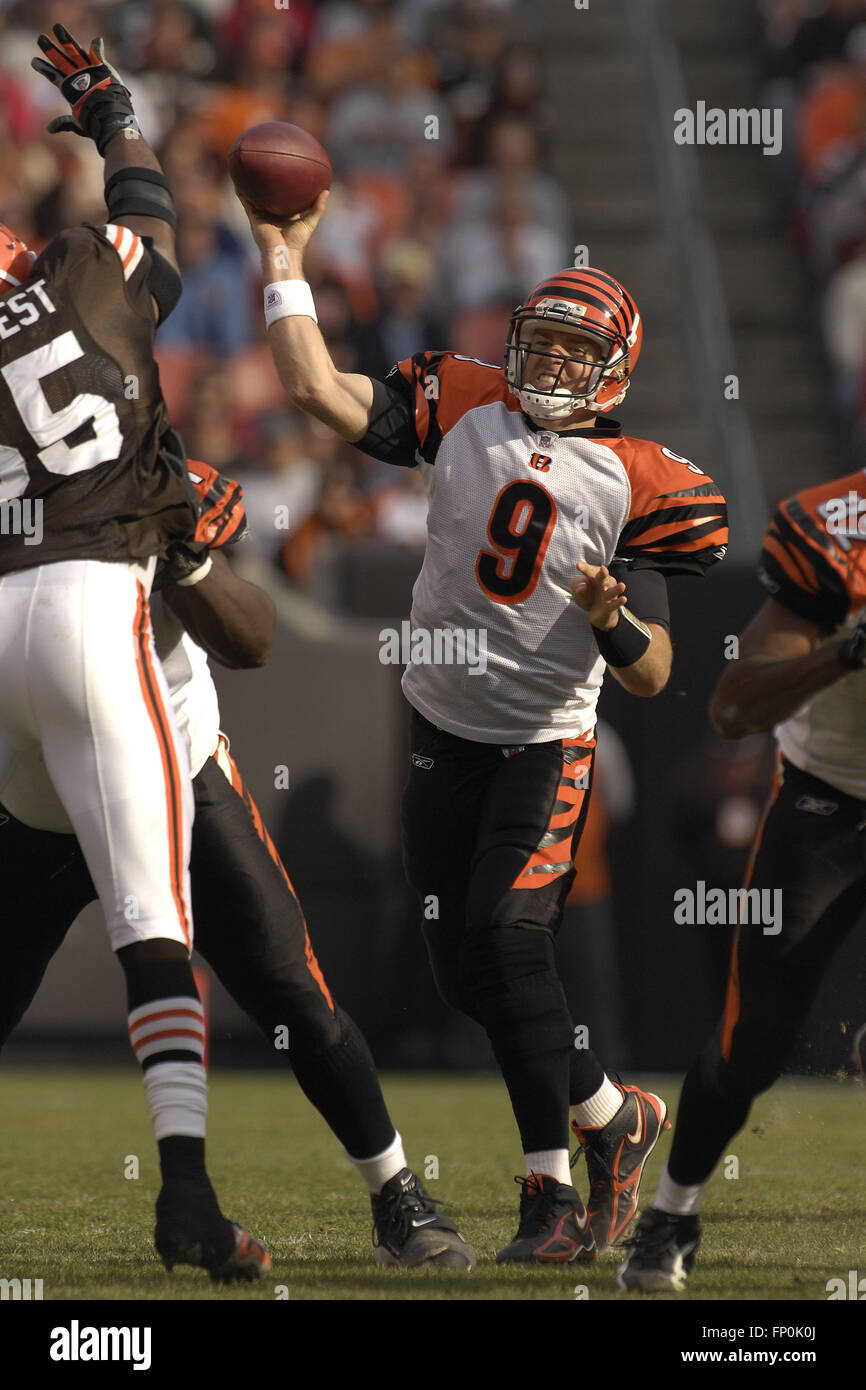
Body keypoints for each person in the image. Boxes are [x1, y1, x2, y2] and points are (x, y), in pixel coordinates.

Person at [239, 187, 729, 1263]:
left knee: (508, 944)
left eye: (571, 355)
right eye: (537, 347)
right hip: (436, 727)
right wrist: (282, 254)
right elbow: (313, 385)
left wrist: (609, 620)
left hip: (543, 744)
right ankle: (612, 1118)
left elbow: (651, 678)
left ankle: (547, 1194)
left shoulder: (641, 480)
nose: (547, 368)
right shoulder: (459, 400)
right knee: (467, 978)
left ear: (613, 372)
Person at [0, 453, 475, 1271]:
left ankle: (396, 1191)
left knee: (293, 992)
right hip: (36, 800)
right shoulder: (21, 505)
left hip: (176, 777)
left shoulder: (153, 482)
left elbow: (252, 637)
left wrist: (179, 554)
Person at [0, 23, 266, 1280]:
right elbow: (157, 221)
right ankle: (187, 1196)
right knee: (152, 918)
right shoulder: (82, 274)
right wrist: (111, 113)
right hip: (90, 602)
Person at [617, 471, 866, 1292]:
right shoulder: (838, 530)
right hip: (834, 797)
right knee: (752, 1036)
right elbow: (731, 708)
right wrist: (848, 651)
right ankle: (673, 1211)